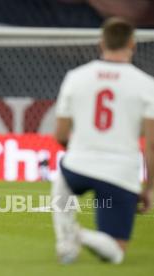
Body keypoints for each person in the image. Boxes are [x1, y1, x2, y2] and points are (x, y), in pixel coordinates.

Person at [52, 17, 154, 264]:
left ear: (101, 43)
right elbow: (151, 145)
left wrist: (79, 151)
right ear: (132, 44)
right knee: (116, 252)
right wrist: (149, 187)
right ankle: (81, 236)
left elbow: (61, 135)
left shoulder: (76, 77)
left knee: (62, 181)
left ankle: (66, 239)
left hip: (79, 164)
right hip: (120, 172)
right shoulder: (146, 84)